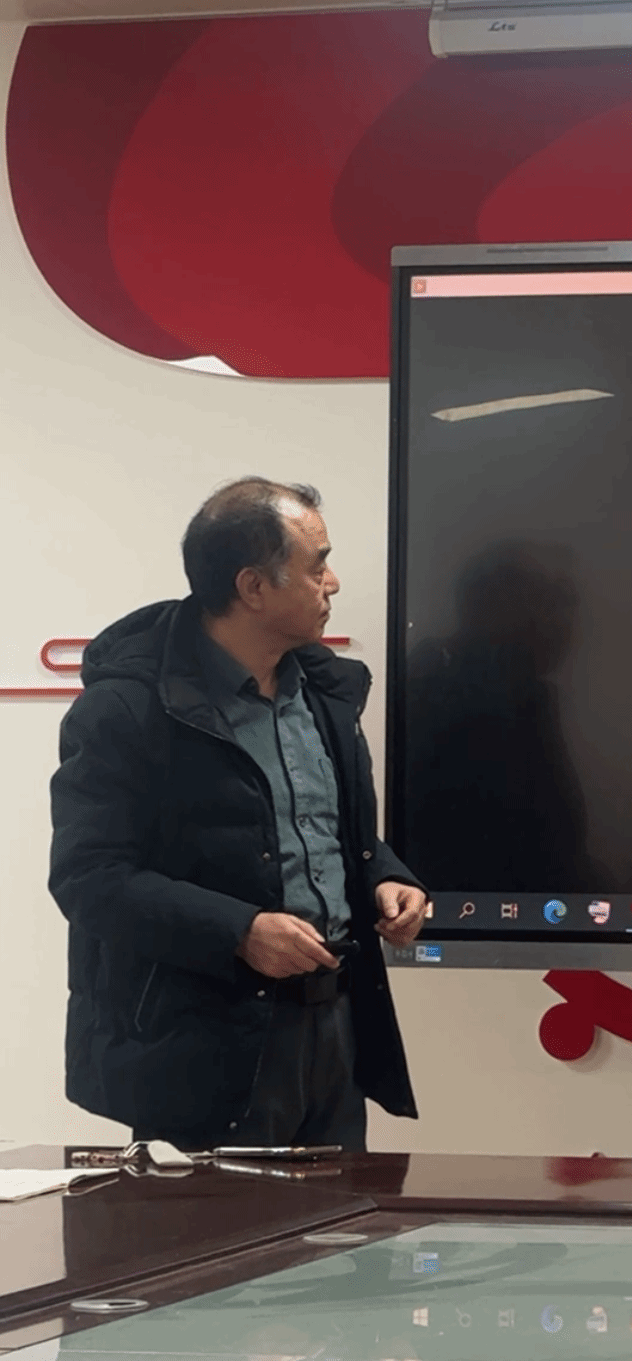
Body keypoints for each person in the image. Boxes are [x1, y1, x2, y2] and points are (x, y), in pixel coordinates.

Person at [49, 479, 428, 1150]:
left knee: (342, 1220)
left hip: (336, 1030)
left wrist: (385, 877)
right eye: (317, 565)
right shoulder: (128, 710)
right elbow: (89, 879)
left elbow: (326, 830)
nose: (333, 582)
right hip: (200, 1051)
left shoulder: (325, 692)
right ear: (253, 587)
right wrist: (240, 931)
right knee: (219, 1223)